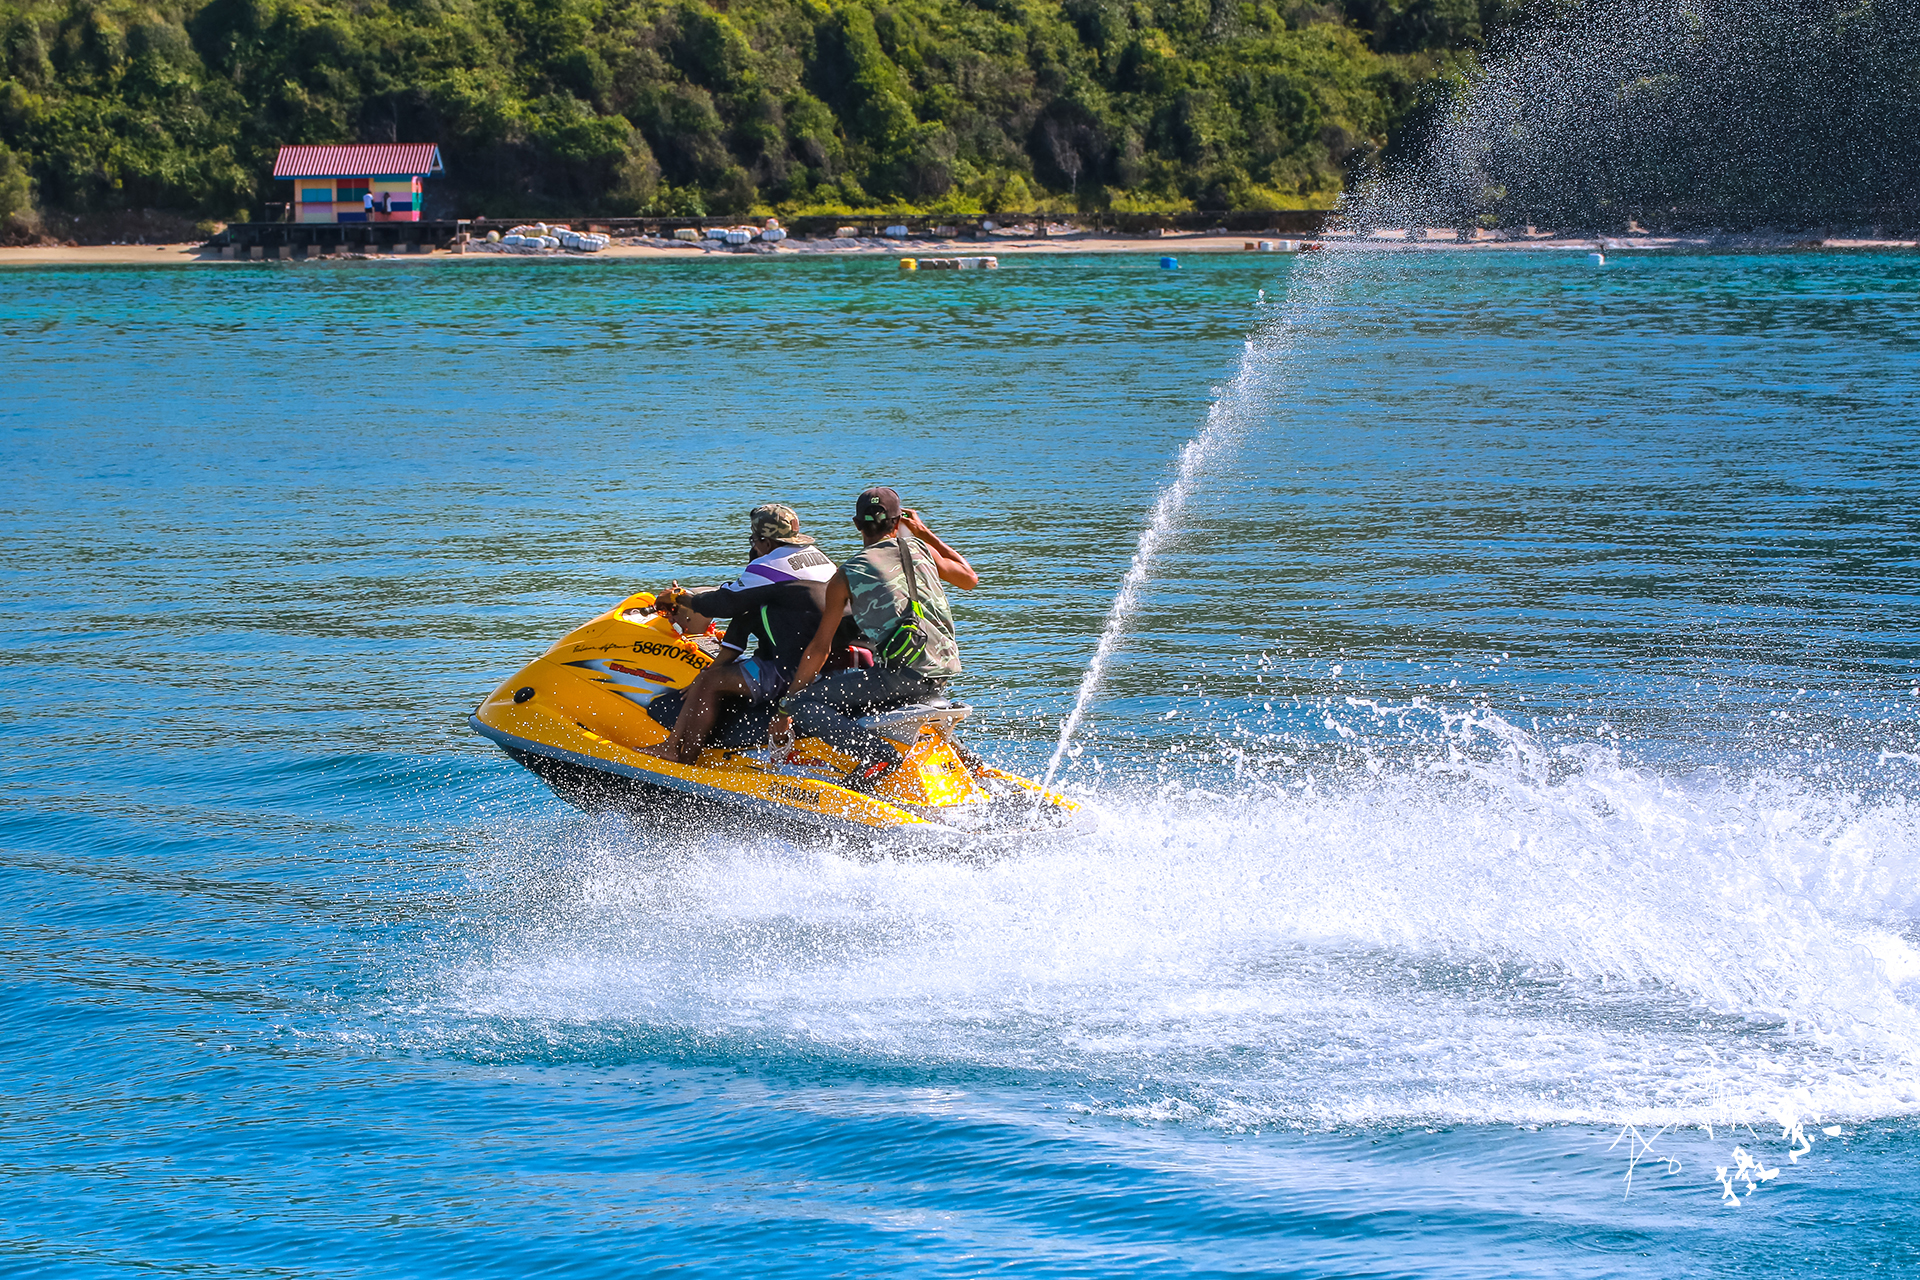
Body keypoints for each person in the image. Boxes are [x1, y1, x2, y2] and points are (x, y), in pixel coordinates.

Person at [775, 487, 976, 783]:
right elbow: (969, 578)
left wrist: (784, 709)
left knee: (804, 705)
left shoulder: (847, 573)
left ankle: (877, 756)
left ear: (857, 525)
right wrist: (924, 532)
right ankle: (968, 765)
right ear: (899, 522)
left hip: (900, 677)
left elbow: (820, 650)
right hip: (941, 674)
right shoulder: (922, 549)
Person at [638, 503, 838, 765]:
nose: (753, 546)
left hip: (789, 669)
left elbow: (722, 604)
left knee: (709, 682)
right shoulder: (820, 560)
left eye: (753, 540)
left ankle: (681, 757)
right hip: (829, 662)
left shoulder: (768, 566)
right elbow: (739, 611)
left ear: (765, 542)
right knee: (709, 675)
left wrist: (679, 597)